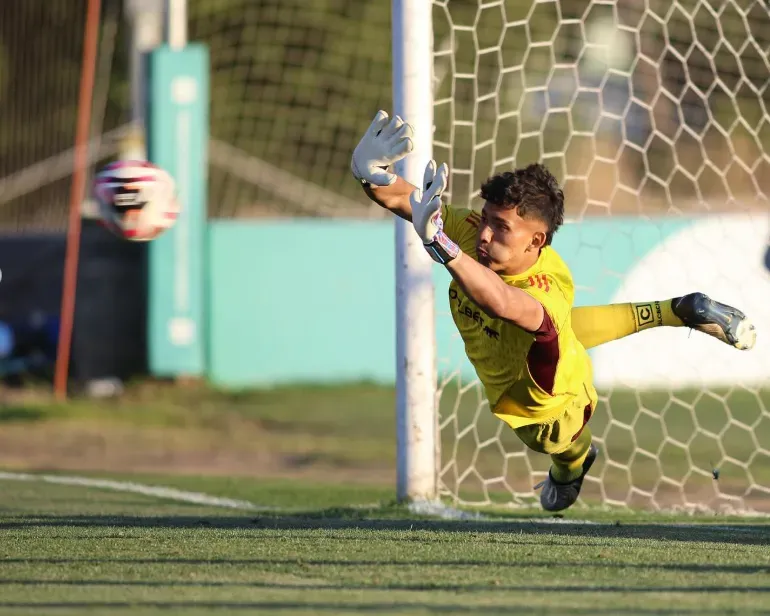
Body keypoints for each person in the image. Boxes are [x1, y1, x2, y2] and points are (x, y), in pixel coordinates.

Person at [351, 110, 756, 512]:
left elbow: (502, 302)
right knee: (567, 332)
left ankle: (573, 467)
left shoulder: (541, 289)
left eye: (502, 228)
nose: (485, 234)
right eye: (487, 219)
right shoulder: (474, 232)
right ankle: (678, 309)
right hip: (537, 348)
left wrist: (442, 247)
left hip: (548, 401)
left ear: (536, 241)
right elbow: (408, 200)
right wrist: (370, 172)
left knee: (564, 447)